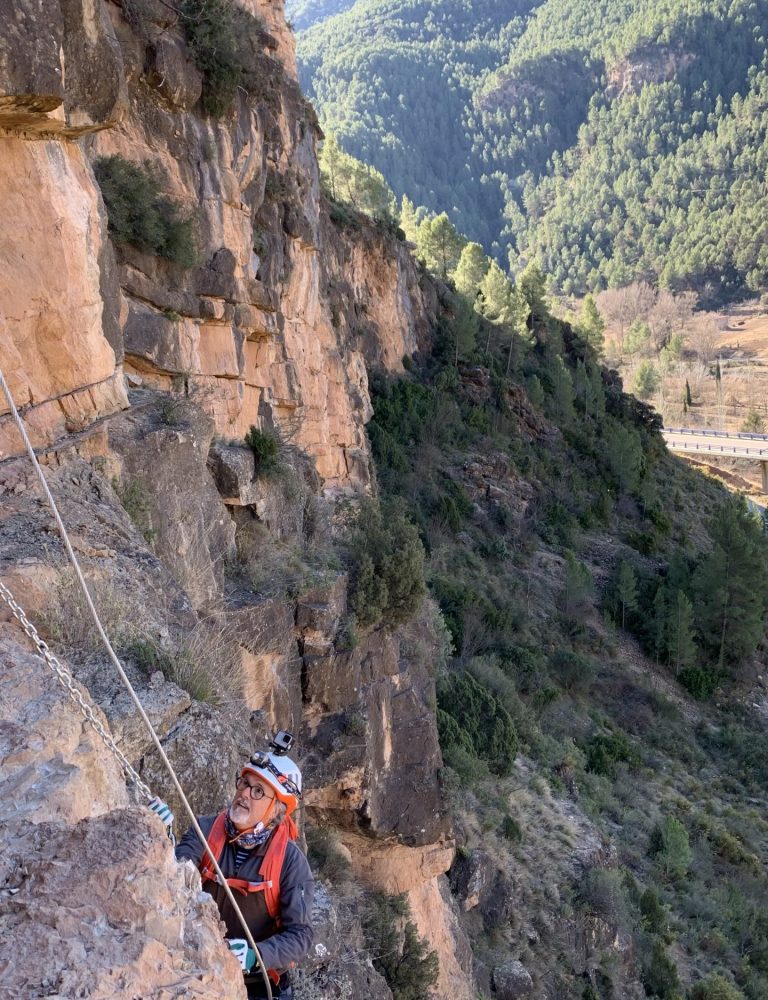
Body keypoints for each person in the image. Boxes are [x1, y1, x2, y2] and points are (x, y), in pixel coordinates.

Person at [175, 735, 314, 999]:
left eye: (258, 791)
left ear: (277, 810)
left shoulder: (290, 863)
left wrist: (256, 955)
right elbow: (180, 868)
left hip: (258, 985)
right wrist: (161, 838)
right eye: (245, 783)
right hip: (198, 969)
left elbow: (301, 934)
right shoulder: (205, 830)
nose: (244, 794)